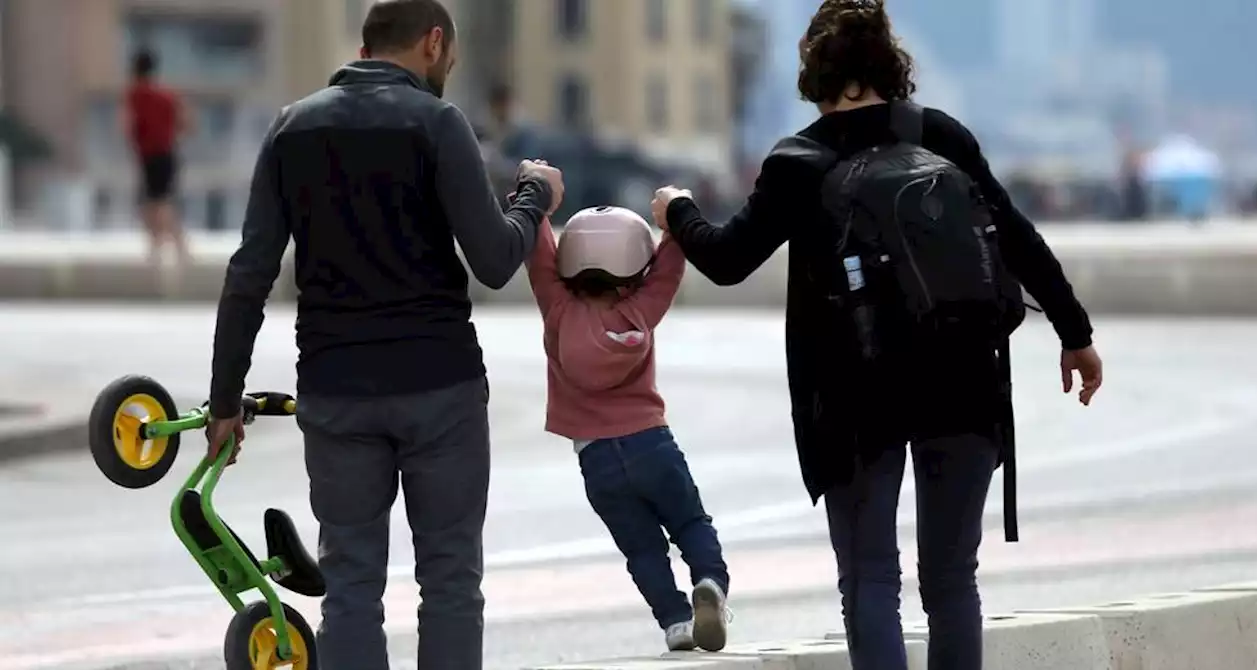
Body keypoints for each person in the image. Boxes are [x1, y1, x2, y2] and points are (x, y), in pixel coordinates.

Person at [651, 1, 1104, 669]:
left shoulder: (798, 161)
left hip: (856, 390)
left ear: (816, 70)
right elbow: (1015, 237)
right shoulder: (941, 137)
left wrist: (676, 211)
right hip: (964, 371)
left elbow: (725, 259)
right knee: (952, 580)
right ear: (891, 65)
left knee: (870, 577)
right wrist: (1075, 333)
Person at [203, 1, 564, 669]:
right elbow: (492, 258)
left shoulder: (292, 128)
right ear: (433, 43)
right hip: (441, 389)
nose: (448, 70)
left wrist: (225, 399)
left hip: (337, 394)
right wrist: (533, 197)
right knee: (451, 581)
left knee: (350, 589)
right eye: (449, 59)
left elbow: (249, 273)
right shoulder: (436, 122)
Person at [524, 204, 731, 652]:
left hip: (596, 460)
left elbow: (539, 261)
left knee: (642, 550)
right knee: (690, 522)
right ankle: (710, 582)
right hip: (651, 443)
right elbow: (667, 274)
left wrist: (537, 205)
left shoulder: (557, 311)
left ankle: (674, 622)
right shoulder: (640, 312)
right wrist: (672, 227)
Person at [123, 48, 190, 265]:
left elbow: (129, 126)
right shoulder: (167, 95)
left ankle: (160, 247)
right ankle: (176, 248)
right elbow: (185, 123)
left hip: (148, 155)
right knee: (163, 200)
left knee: (154, 203)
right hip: (168, 153)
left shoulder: (135, 95)